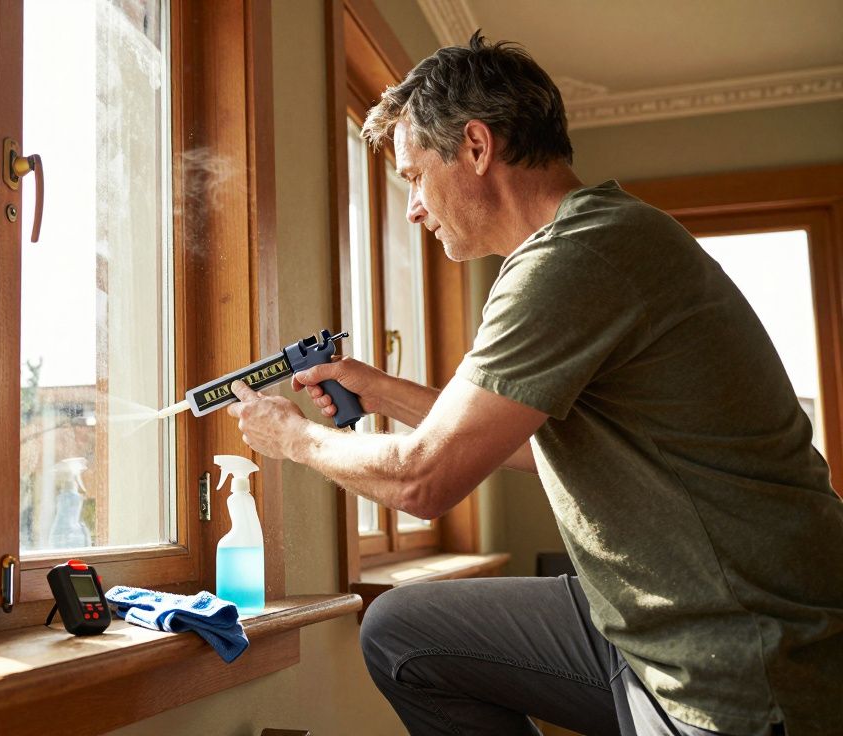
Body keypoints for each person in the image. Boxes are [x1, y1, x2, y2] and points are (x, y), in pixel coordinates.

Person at [225, 32, 843, 736]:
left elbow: (420, 483)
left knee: (401, 631)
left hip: (736, 656)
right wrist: (381, 390)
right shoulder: (599, 240)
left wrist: (292, 438)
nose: (412, 209)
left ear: (477, 148)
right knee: (404, 633)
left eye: (414, 177)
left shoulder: (573, 258)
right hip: (637, 621)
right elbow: (524, 444)